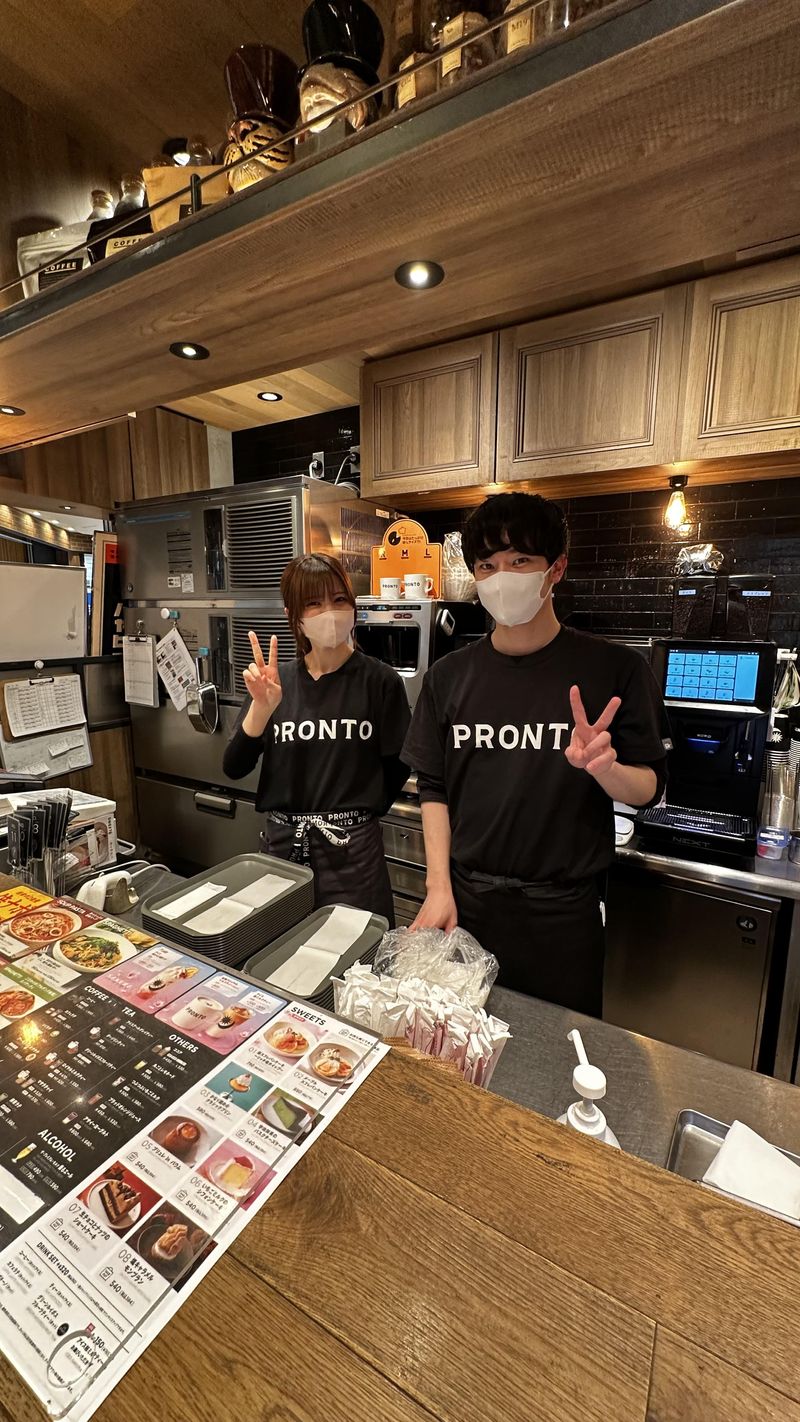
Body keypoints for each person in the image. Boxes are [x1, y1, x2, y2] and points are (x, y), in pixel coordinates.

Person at [402, 491, 669, 1015]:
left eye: (520, 560)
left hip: (563, 918)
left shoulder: (614, 670)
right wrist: (438, 888)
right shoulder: (447, 678)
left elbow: (649, 788)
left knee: (561, 1054)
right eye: (487, 565)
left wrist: (607, 770)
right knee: (460, 1048)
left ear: (556, 569)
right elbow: (433, 786)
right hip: (467, 907)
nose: (502, 577)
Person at [223, 552, 410, 924]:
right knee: (282, 952)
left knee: (358, 953)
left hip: (353, 857)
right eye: (314, 603)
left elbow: (398, 766)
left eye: (339, 599)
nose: (330, 612)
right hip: (283, 851)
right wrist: (261, 710)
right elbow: (234, 767)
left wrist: (355, 817)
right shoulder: (275, 683)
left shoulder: (380, 681)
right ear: (294, 616)